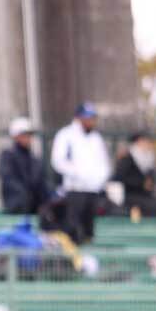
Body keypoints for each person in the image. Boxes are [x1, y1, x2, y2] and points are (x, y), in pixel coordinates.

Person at [50, 102, 111, 243]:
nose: (91, 121)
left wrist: (98, 180)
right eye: (87, 118)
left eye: (92, 118)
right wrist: (78, 174)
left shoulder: (96, 138)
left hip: (93, 191)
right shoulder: (66, 135)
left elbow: (104, 164)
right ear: (79, 118)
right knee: (73, 230)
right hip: (74, 190)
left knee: (89, 232)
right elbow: (58, 161)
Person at [0, 116, 52, 215]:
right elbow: (9, 179)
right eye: (24, 135)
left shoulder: (34, 159)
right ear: (15, 137)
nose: (27, 138)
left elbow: (41, 183)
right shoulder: (8, 156)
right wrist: (25, 194)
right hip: (16, 206)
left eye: (29, 135)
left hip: (34, 208)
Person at [111, 131, 156, 217]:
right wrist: (141, 183)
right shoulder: (127, 158)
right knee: (152, 206)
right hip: (130, 195)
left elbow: (151, 179)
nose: (147, 144)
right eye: (144, 141)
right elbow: (118, 178)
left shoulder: (149, 158)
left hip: (145, 195)